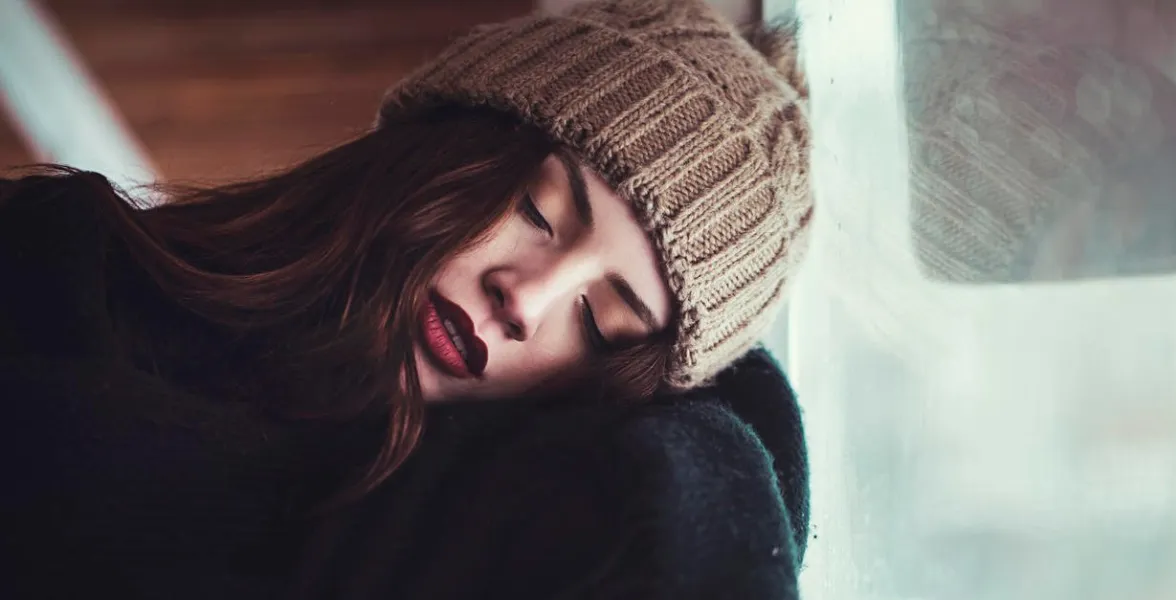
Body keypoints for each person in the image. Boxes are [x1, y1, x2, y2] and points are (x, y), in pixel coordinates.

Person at [0, 0, 813, 598]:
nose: (524, 301)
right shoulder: (47, 259)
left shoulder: (410, 546)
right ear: (448, 146)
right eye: (536, 212)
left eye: (599, 324)